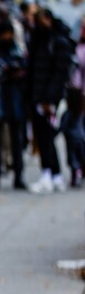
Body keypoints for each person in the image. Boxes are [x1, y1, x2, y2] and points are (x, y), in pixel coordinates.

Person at [26, 8, 74, 193]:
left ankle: (53, 173)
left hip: (48, 100)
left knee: (47, 137)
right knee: (43, 137)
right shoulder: (38, 40)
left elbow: (60, 73)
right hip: (37, 97)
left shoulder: (58, 41)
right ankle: (51, 173)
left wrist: (49, 99)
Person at [0, 20, 28, 190]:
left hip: (14, 97)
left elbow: (22, 67)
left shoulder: (16, 48)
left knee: (16, 139)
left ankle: (18, 174)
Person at [63, 21, 85, 188]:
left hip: (81, 96)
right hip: (74, 96)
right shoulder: (74, 47)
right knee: (73, 134)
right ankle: (75, 167)